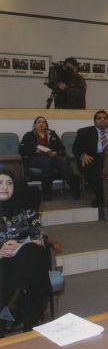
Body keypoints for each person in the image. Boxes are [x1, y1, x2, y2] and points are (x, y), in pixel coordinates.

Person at [0, 170, 51, 335]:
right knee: (27, 273)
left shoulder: (27, 210)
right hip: (3, 263)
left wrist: (19, 245)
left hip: (25, 258)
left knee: (30, 251)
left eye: (9, 183)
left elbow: (40, 238)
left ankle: (9, 308)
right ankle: (25, 311)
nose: (5, 187)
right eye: (0, 183)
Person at [19, 116, 80, 200]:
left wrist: (56, 152)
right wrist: (35, 151)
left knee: (63, 161)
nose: (41, 124)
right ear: (34, 125)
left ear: (46, 125)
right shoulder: (28, 135)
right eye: (39, 122)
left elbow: (62, 149)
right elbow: (21, 150)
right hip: (35, 158)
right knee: (47, 162)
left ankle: (75, 189)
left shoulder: (52, 134)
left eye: (43, 122)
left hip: (52, 156)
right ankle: (46, 192)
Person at [73, 110, 108, 207]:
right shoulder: (84, 132)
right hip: (94, 159)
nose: (103, 120)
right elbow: (76, 148)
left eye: (105, 118)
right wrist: (82, 155)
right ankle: (101, 197)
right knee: (91, 165)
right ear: (94, 121)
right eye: (99, 118)